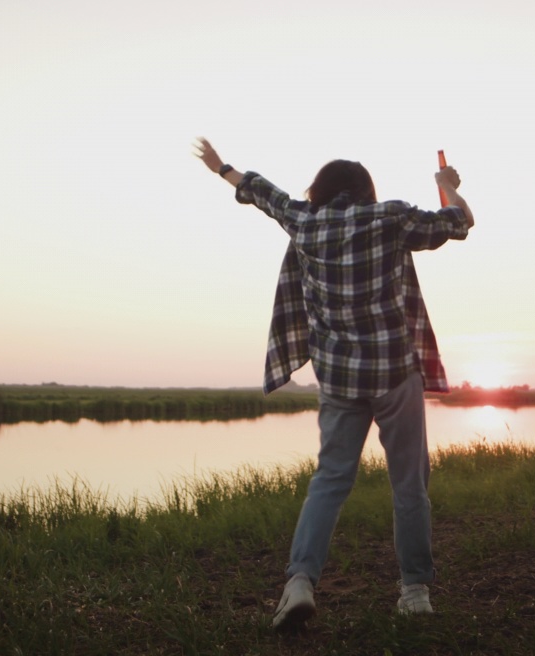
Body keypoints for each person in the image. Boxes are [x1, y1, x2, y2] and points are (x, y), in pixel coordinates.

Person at [192, 137, 473, 629]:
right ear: (365, 189)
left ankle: (299, 582)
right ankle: (414, 591)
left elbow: (262, 192)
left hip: (339, 378)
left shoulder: (304, 220)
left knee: (329, 481)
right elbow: (458, 223)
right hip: (393, 372)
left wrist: (222, 168)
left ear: (319, 190)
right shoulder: (389, 217)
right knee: (409, 485)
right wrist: (446, 186)